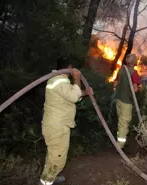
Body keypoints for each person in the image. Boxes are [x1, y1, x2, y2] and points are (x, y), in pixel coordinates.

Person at [39, 57, 93, 185]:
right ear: (69, 68)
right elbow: (74, 96)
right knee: (58, 157)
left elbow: (69, 96)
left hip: (56, 125)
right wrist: (76, 79)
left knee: (53, 155)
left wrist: (85, 92)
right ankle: (47, 182)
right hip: (57, 126)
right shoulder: (61, 81)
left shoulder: (57, 81)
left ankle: (49, 178)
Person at [113, 54, 140, 150]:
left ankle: (119, 140)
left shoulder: (121, 69)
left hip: (118, 100)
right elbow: (135, 89)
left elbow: (115, 83)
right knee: (124, 123)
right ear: (134, 62)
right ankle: (120, 146)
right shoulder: (134, 72)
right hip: (126, 102)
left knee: (120, 122)